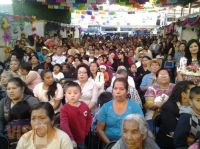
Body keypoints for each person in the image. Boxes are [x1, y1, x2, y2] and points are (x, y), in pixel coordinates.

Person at [97, 78, 143, 145]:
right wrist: (110, 145)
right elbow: (100, 130)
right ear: (112, 90)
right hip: (109, 144)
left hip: (131, 143)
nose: (118, 91)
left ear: (127, 91)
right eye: (115, 89)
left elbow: (141, 128)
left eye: (121, 89)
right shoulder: (106, 107)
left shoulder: (135, 107)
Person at [156, 81, 195, 149]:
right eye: (192, 91)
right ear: (183, 94)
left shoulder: (193, 106)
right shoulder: (169, 107)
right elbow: (172, 131)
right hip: (169, 144)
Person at [60, 81, 92, 149]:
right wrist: (71, 139)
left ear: (81, 94)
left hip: (82, 137)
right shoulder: (64, 109)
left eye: (75, 93)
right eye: (69, 93)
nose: (72, 95)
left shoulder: (84, 105)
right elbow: (64, 125)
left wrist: (86, 131)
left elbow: (89, 118)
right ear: (65, 94)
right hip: (70, 139)